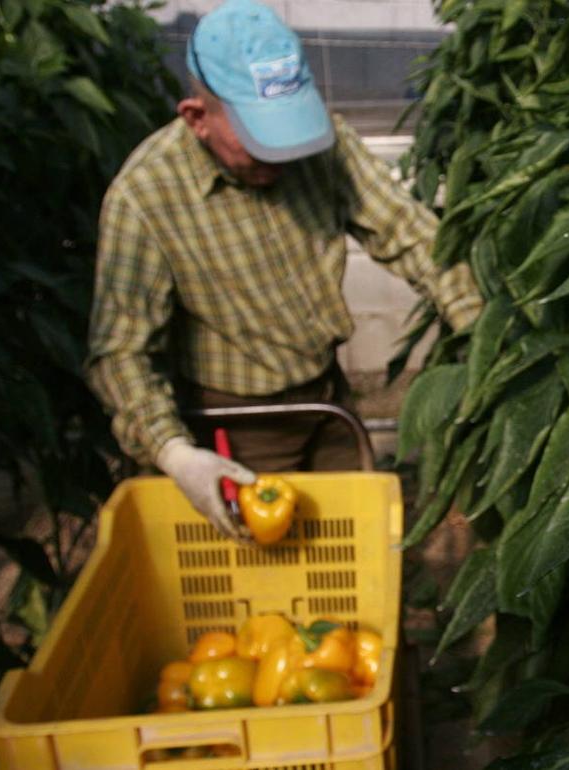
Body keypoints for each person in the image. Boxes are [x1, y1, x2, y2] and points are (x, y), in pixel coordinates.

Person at [85, 0, 481, 540]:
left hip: (327, 399)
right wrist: (174, 452)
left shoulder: (321, 149)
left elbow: (410, 235)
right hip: (236, 424)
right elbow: (121, 347)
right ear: (197, 118)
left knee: (353, 544)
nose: (282, 155)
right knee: (260, 576)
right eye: (257, 137)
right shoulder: (148, 196)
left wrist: (482, 328)